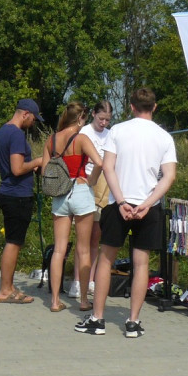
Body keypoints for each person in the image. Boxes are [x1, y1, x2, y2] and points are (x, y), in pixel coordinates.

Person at [76, 88, 177, 338]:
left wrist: (121, 201)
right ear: (154, 107)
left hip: (118, 205)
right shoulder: (165, 137)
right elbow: (169, 176)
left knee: (106, 259)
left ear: (131, 107)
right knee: (141, 264)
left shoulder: (118, 131)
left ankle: (97, 319)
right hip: (148, 208)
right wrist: (148, 202)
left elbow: (108, 167)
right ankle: (133, 322)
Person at [40, 102, 103, 313]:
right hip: (80, 189)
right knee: (83, 249)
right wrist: (91, 181)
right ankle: (84, 300)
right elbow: (100, 163)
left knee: (59, 249)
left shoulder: (52, 140)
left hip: (59, 195)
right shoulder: (82, 138)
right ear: (79, 119)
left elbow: (44, 171)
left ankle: (55, 301)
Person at [0, 99, 43, 303]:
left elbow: (0, 168)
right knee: (13, 243)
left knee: (13, 242)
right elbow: (16, 168)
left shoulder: (2, 132)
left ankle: (10, 286)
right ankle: (5, 291)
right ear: (25, 114)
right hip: (17, 195)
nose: (33, 122)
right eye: (33, 118)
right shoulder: (15, 134)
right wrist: (37, 162)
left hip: (7, 191)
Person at [74, 100, 113, 297]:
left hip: (103, 187)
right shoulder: (85, 133)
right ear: (94, 116)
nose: (104, 123)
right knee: (83, 237)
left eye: (107, 120)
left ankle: (90, 280)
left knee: (96, 237)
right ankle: (76, 280)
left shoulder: (111, 135)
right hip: (85, 183)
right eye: (101, 118)